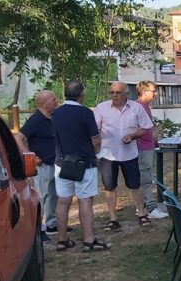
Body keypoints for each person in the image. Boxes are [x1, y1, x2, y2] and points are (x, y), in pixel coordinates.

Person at [52, 81, 109, 252]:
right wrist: (96, 151)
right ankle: (89, 240)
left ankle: (62, 240)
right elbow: (96, 140)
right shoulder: (85, 113)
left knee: (63, 201)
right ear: (82, 94)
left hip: (62, 163)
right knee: (85, 200)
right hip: (84, 162)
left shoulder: (56, 113)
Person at [94, 81, 153, 231]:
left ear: (126, 93)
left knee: (135, 185)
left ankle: (141, 213)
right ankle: (113, 219)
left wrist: (132, 136)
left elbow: (145, 127)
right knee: (109, 187)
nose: (114, 95)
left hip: (129, 153)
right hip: (108, 154)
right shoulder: (102, 108)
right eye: (112, 92)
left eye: (118, 92)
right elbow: (94, 130)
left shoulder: (136, 107)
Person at [15, 90, 59, 242]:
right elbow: (19, 137)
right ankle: (40, 229)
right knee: (42, 196)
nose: (56, 101)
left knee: (54, 194)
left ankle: (52, 224)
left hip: (55, 162)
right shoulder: (36, 120)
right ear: (43, 103)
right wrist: (30, 156)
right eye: (53, 99)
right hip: (43, 165)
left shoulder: (53, 117)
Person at [135, 80, 167, 220]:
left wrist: (153, 139)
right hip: (142, 148)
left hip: (148, 146)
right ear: (143, 92)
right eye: (153, 91)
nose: (156, 93)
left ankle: (141, 205)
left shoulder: (146, 107)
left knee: (146, 176)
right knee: (145, 177)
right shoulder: (137, 107)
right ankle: (151, 207)